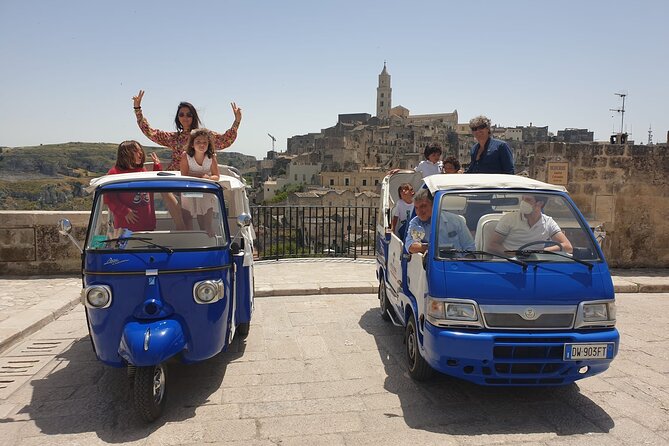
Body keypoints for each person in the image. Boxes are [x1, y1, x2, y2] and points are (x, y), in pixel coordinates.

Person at [132, 90, 242, 171]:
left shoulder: (203, 136)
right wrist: (137, 109)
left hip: (197, 179)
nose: (185, 117)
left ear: (193, 116)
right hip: (177, 179)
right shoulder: (174, 138)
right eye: (181, 114)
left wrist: (237, 121)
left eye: (189, 115)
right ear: (178, 117)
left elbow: (225, 140)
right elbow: (150, 132)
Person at [104, 141, 161, 232]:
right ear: (125, 154)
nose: (140, 153)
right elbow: (109, 199)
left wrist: (157, 168)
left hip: (147, 225)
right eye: (136, 151)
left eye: (140, 150)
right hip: (126, 228)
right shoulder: (114, 173)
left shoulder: (141, 170)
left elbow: (152, 186)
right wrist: (124, 211)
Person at [488, 194, 573, 255]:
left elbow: (568, 247)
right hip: (509, 263)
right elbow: (492, 245)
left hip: (535, 264)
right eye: (523, 199)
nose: (523, 203)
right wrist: (512, 254)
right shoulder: (509, 219)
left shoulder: (548, 222)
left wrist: (541, 252)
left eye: (528, 200)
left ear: (540, 203)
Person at [405, 188, 474, 254]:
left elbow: (470, 247)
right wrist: (433, 249)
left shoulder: (455, 221)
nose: (419, 211)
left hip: (457, 262)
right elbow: (411, 246)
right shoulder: (417, 223)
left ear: (434, 205)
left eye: (423, 206)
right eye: (416, 208)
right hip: (432, 263)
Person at [180, 128, 220, 236]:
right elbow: (184, 174)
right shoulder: (186, 156)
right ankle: (189, 236)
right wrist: (201, 176)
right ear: (192, 144)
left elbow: (217, 176)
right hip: (189, 188)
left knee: (207, 199)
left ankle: (207, 229)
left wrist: (208, 178)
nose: (201, 145)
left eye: (204, 142)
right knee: (188, 215)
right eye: (198, 142)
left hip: (204, 188)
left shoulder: (211, 157)